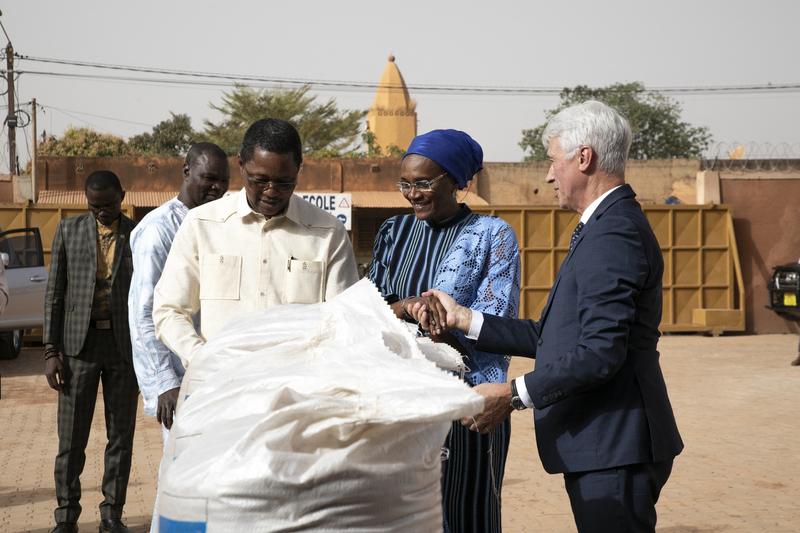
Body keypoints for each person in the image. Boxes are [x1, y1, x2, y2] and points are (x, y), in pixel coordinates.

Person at [411, 101, 684, 533]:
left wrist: (512, 394)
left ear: (584, 157)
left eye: (554, 161)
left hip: (615, 444)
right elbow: (552, 335)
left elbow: (598, 353)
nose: (548, 175)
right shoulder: (604, 226)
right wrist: (466, 320)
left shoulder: (614, 233)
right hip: (608, 445)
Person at [368, 129, 521, 533]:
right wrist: (408, 308)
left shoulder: (493, 237)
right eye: (405, 183)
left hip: (467, 408)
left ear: (457, 181)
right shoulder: (393, 233)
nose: (413, 193)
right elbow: (367, 312)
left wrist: (445, 331)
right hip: (400, 407)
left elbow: (497, 327)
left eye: (423, 183)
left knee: (466, 515)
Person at [153, 118, 358, 366]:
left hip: (297, 388)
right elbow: (169, 310)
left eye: (283, 182)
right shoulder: (202, 224)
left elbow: (344, 319)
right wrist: (202, 358)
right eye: (259, 180)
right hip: (218, 385)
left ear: (299, 170)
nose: (271, 191)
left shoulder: (327, 232)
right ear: (240, 164)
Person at [128, 142, 230, 532]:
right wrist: (163, 384)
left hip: (216, 376)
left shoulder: (218, 222)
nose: (216, 188)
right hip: (179, 382)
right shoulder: (159, 230)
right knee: (182, 482)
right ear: (186, 172)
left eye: (223, 181)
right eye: (208, 179)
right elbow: (143, 314)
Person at [43, 171, 138, 533]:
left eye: (109, 205)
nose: (102, 212)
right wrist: (51, 351)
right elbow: (54, 294)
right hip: (76, 350)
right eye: (95, 206)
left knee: (121, 439)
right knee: (71, 441)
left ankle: (111, 515)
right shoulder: (69, 231)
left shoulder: (137, 234)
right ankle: (66, 518)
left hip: (122, 349)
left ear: (122, 196)